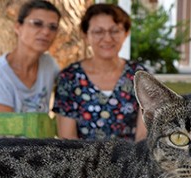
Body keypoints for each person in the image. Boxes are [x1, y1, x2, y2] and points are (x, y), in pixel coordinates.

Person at [52, 4, 147, 141]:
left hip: (130, 160)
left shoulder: (138, 75)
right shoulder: (69, 78)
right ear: (85, 35)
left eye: (115, 31)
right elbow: (68, 139)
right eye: (98, 32)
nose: (107, 38)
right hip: (82, 160)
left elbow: (143, 138)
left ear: (126, 33)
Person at [0, 0, 61, 113]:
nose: (46, 32)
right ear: (18, 27)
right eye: (37, 24)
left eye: (53, 27)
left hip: (36, 130)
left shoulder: (49, 65)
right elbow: (5, 128)